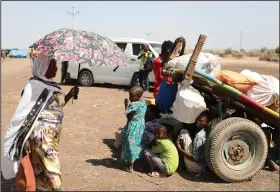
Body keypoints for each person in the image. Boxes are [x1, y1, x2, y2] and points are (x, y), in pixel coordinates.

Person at [2, 53, 79, 191]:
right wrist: (23, 139)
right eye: (53, 64)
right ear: (43, 66)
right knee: (53, 173)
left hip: (51, 139)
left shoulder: (52, 85)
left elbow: (57, 106)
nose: (57, 67)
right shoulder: (33, 87)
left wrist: (70, 94)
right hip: (40, 139)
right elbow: (22, 116)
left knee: (39, 170)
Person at [121, 86, 147, 173]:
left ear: (138, 96)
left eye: (132, 96)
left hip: (133, 126)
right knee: (138, 142)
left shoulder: (133, 105)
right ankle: (137, 162)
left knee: (130, 143)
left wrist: (126, 105)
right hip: (140, 126)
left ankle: (130, 166)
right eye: (129, 95)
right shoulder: (143, 103)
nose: (130, 98)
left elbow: (129, 117)